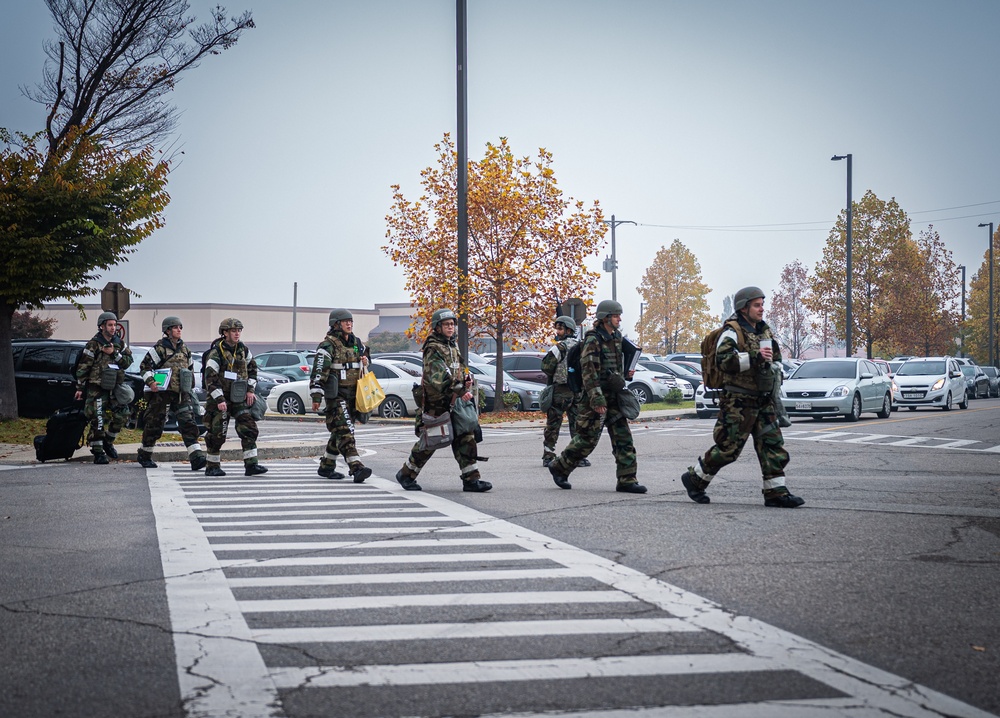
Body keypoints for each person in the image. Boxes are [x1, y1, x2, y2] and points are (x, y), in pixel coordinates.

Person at [680, 286, 805, 508]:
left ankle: (776, 493)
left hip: (763, 400)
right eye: (757, 305)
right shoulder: (732, 332)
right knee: (728, 449)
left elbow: (774, 358)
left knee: (772, 446)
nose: (761, 309)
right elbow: (724, 361)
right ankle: (695, 479)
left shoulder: (763, 331)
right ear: (744, 308)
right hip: (738, 401)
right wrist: (755, 356)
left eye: (762, 304)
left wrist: (775, 369)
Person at [547, 300, 646, 494]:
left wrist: (626, 374)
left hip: (614, 395)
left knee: (623, 437)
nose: (619, 319)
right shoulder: (593, 340)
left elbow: (616, 365)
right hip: (594, 397)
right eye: (616, 315)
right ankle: (559, 467)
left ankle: (627, 479)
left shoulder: (616, 337)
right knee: (587, 439)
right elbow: (589, 371)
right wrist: (596, 398)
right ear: (606, 317)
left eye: (619, 315)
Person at [395, 308, 492, 493]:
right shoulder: (432, 348)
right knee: (432, 441)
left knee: (466, 436)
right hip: (437, 403)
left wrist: (467, 378)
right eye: (446, 324)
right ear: (437, 327)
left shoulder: (452, 345)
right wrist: (460, 389)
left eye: (452, 324)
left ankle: (471, 479)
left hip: (455, 401)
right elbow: (439, 377)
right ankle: (406, 474)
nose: (450, 327)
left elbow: (461, 368)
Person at [308, 309, 373, 482]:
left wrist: (366, 359)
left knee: (338, 432)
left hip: (354, 395)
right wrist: (316, 396)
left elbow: (365, 355)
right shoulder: (327, 345)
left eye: (350, 321)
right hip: (336, 397)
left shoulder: (356, 342)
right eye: (345, 321)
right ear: (336, 324)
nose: (349, 324)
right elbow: (319, 371)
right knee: (345, 431)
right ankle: (357, 467)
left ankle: (326, 466)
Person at [136, 316, 207, 470]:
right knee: (155, 424)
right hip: (161, 394)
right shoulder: (159, 349)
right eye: (175, 327)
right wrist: (151, 382)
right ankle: (145, 454)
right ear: (167, 331)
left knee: (188, 423)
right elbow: (144, 367)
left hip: (181, 394)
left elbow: (189, 369)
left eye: (180, 327)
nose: (179, 330)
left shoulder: (185, 349)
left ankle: (196, 457)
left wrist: (190, 389)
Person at [202, 318, 268, 477]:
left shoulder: (243, 349)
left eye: (239, 330)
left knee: (249, 428)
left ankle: (251, 465)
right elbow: (210, 378)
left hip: (239, 397)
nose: (237, 333)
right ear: (225, 332)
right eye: (233, 330)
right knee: (217, 433)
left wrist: (250, 390)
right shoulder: (216, 352)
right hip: (220, 399)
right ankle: (212, 466)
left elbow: (253, 369)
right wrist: (219, 400)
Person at [74, 311, 133, 464]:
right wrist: (80, 388)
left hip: (115, 386)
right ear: (102, 326)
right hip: (97, 387)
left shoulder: (119, 343)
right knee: (98, 419)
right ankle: (98, 451)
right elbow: (83, 367)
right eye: (110, 325)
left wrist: (115, 353)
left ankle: (108, 441)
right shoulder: (93, 344)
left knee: (123, 414)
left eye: (114, 325)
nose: (113, 328)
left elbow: (128, 362)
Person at [540, 315, 589, 468]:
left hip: (561, 391)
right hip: (578, 391)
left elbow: (546, 367)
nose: (558, 332)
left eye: (560, 329)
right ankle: (578, 457)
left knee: (553, 424)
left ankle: (548, 456)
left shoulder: (559, 347)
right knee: (578, 425)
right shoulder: (582, 346)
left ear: (568, 330)